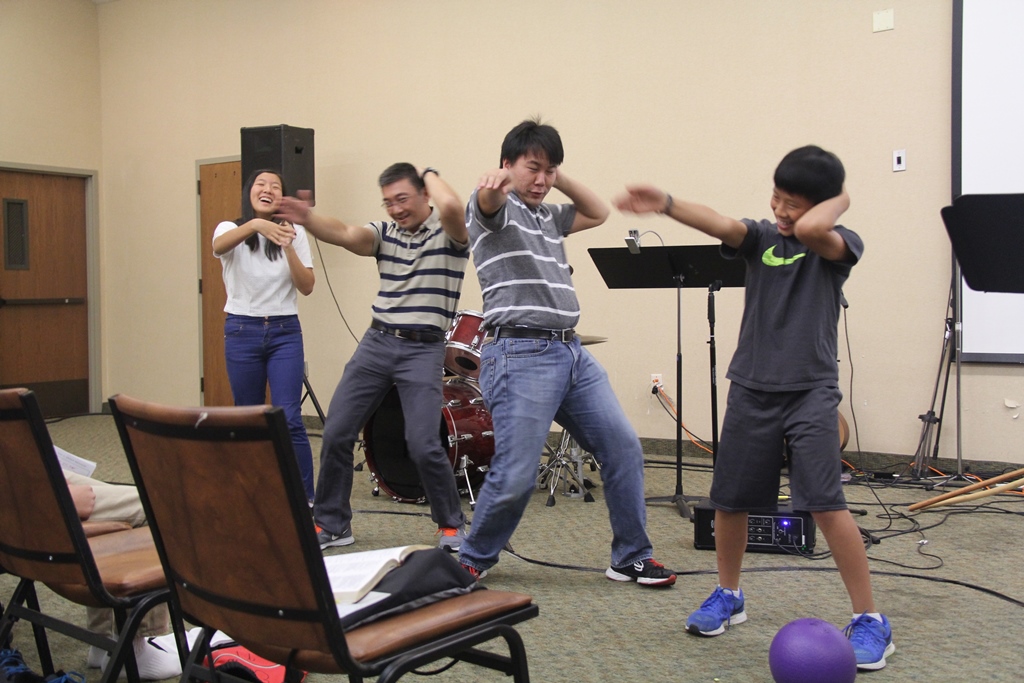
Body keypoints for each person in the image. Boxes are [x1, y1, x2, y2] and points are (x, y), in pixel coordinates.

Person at [615, 145, 894, 670]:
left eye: (794, 203)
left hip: (810, 391)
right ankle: (729, 594)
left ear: (822, 206)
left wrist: (841, 199)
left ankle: (870, 619)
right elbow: (720, 223)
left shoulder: (838, 243)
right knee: (730, 500)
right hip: (751, 387)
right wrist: (666, 203)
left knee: (826, 505)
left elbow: (814, 229)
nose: (781, 211)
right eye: (776, 197)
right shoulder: (762, 238)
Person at [456, 118, 676, 587]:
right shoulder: (493, 209)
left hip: (570, 353)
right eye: (531, 168)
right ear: (506, 164)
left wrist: (554, 174)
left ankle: (630, 556)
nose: (541, 180)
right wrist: (496, 185)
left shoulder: (548, 216)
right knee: (516, 474)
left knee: (623, 449)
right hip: (519, 353)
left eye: (549, 170)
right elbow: (487, 202)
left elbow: (598, 212)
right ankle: (470, 558)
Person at [275, 163, 471, 551]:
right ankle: (332, 523)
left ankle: (451, 525)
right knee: (336, 432)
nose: (395, 209)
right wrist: (307, 219)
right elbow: (346, 233)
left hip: (423, 348)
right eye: (388, 203)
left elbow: (451, 206)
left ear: (425, 194)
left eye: (402, 199)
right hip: (377, 343)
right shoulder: (385, 233)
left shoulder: (451, 234)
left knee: (423, 443)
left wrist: (429, 173)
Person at [212, 169, 316, 501]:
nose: (267, 189)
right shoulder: (230, 229)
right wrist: (257, 225)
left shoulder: (296, 233)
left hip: (285, 332)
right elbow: (218, 246)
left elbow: (307, 286)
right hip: (242, 331)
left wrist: (288, 246)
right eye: (261, 184)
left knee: (290, 418)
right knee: (249, 417)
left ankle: (305, 501)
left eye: (275, 186)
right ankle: (252, 496)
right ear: (250, 192)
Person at [63, 470, 181, 681]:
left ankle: (102, 641)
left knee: (124, 498)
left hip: (21, 471)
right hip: (21, 492)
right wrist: (53, 494)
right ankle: (133, 652)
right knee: (156, 505)